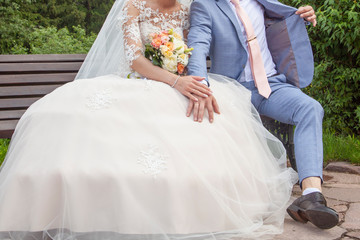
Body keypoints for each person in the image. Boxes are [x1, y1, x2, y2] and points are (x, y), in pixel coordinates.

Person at [0, 0, 298, 239]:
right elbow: (135, 59)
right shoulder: (133, 5)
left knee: (207, 120)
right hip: (136, 81)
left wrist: (294, 16)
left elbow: (214, 36)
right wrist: (174, 81)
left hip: (179, 83)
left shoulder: (189, 8)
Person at [186, 0, 339, 229]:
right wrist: (201, 86)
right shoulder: (205, 5)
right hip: (233, 90)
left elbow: (282, 24)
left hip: (272, 86)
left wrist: (301, 17)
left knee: (310, 108)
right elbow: (197, 44)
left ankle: (311, 194)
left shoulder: (261, 1)